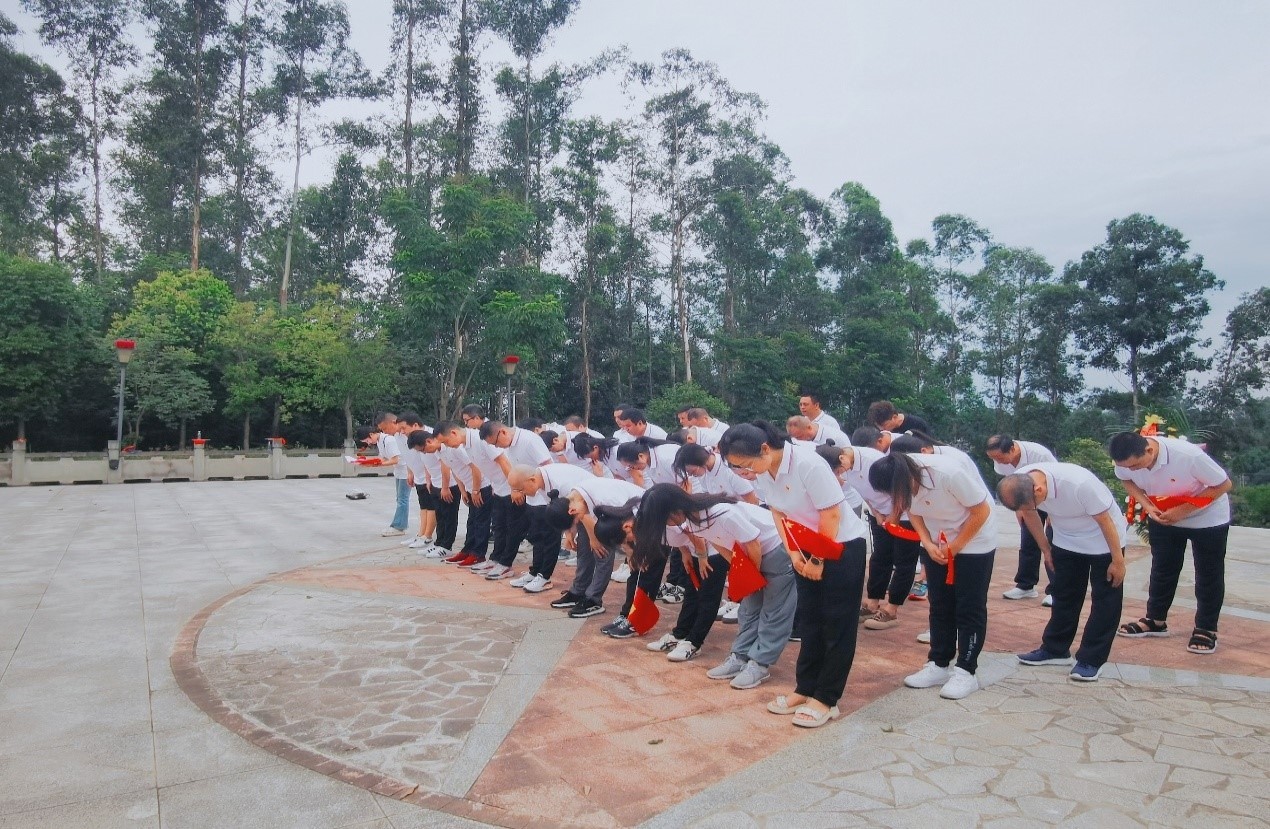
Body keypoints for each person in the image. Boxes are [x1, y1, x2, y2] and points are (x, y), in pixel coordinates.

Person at [720, 422, 867, 728]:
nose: (744, 473)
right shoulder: (765, 471)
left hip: (840, 547)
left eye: (745, 465)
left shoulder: (808, 464)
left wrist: (817, 558)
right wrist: (795, 553)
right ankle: (805, 689)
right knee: (809, 622)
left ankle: (826, 698)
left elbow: (831, 514)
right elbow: (778, 512)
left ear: (764, 449)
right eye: (736, 468)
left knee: (836, 625)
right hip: (804, 546)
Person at [635, 485, 797, 688]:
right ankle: (740, 656)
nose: (666, 526)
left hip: (776, 550)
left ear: (674, 511)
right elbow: (719, 543)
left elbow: (754, 543)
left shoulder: (722, 513)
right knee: (748, 610)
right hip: (750, 555)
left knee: (774, 612)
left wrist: (752, 576)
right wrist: (741, 572)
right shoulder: (692, 519)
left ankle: (760, 664)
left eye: (663, 520)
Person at [869, 451, 996, 700]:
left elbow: (981, 512)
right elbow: (913, 512)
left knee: (969, 607)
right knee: (939, 604)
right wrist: (927, 543)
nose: (896, 499)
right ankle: (939, 663)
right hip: (939, 540)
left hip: (974, 539)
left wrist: (956, 547)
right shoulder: (901, 480)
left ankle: (966, 671)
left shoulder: (948, 474)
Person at [998, 463, 1128, 681]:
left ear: (1039, 490)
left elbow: (1105, 521)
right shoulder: (1020, 481)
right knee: (1064, 594)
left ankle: (1091, 659)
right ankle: (1055, 649)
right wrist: (1045, 549)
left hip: (1103, 541)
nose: (1034, 509)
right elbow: (1029, 514)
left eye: (1035, 504)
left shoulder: (1079, 484)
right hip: (1065, 539)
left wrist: (1118, 561)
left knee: (1105, 600)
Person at [1109, 431, 1233, 655]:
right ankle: (1155, 620)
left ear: (1149, 450)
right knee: (1162, 568)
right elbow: (1126, 480)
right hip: (1164, 515)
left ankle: (1206, 628)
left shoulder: (1188, 456)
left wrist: (1183, 511)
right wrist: (1147, 505)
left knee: (1208, 573)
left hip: (1207, 517)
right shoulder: (1126, 463)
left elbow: (1223, 485)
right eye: (1127, 467)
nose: (1132, 470)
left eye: (1136, 466)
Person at [816, 445, 921, 632]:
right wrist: (877, 513)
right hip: (880, 514)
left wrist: (895, 516)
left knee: (903, 561)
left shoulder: (873, 460)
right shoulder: (844, 466)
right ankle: (872, 603)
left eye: (839, 471)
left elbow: (901, 490)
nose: (840, 475)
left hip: (906, 514)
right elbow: (865, 493)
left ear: (842, 458)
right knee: (880, 556)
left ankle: (892, 609)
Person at [547, 476, 645, 619]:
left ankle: (594, 600)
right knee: (586, 547)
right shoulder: (574, 497)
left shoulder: (606, 499)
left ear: (572, 511)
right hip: (618, 520)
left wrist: (631, 552)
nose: (577, 522)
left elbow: (623, 530)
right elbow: (583, 517)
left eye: (575, 521)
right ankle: (579, 592)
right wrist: (574, 534)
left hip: (641, 520)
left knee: (604, 552)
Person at [986, 434, 1060, 604]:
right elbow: (1010, 483)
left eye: (999, 458)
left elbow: (1054, 481)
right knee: (1028, 540)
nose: (998, 462)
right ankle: (1026, 585)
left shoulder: (1040, 454)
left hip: (1048, 498)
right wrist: (1019, 508)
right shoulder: (1000, 461)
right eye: (993, 458)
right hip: (1026, 501)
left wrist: (1053, 513)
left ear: (1012, 449)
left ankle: (1056, 590)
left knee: (1052, 541)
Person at [480, 419, 554, 581]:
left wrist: (548, 497)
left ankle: (543, 576)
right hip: (530, 497)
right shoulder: (510, 445)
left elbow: (548, 466)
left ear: (503, 432)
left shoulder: (529, 440)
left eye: (496, 443)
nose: (498, 448)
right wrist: (516, 489)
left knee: (543, 538)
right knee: (534, 536)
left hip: (544, 497)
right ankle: (534, 572)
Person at [506, 462, 596, 592]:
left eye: (521, 490)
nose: (522, 494)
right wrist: (569, 533)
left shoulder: (561, 484)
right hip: (578, 510)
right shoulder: (542, 481)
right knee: (541, 536)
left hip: (592, 509)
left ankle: (550, 579)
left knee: (588, 549)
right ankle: (536, 573)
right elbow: (565, 512)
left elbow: (582, 510)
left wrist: (587, 536)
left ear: (531, 480)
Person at [372, 411, 409, 537]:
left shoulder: (400, 436)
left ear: (393, 422)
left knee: (403, 499)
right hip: (400, 471)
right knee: (400, 498)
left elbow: (397, 458)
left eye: (385, 428)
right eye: (382, 430)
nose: (385, 432)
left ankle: (399, 526)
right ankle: (399, 525)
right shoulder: (395, 436)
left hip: (406, 471)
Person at [867, 400, 932, 436]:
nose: (881, 429)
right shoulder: (880, 431)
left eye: (885, 425)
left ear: (894, 417)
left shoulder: (918, 424)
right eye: (879, 427)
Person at [786, 415, 850, 448]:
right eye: (794, 438)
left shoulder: (837, 437)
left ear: (809, 428)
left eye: (799, 437)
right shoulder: (795, 440)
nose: (797, 440)